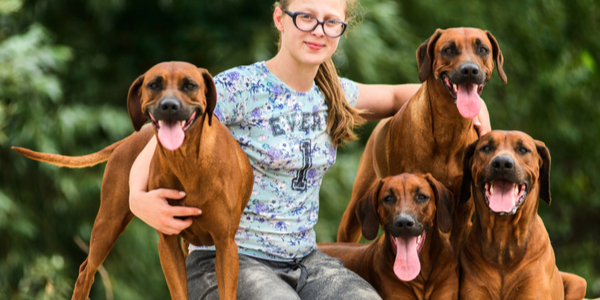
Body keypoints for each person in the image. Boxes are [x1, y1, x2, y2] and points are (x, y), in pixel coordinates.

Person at [129, 0, 491, 299]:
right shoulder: (239, 88)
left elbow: (404, 94)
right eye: (306, 17)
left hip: (305, 260)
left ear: (341, 30)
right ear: (279, 19)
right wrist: (136, 197)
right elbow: (160, 133)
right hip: (226, 261)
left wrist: (473, 105)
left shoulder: (336, 95)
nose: (318, 30)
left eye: (331, 22)